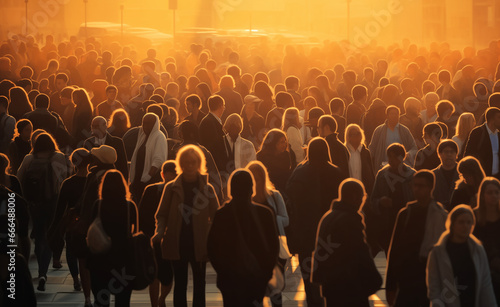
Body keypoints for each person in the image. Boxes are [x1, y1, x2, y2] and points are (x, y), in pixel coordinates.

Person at [152, 145, 220, 307]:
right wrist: (160, 232)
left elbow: (217, 217)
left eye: (193, 162)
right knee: (180, 284)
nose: (189, 166)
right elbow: (161, 214)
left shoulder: (208, 189)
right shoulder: (171, 188)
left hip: (200, 244)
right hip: (177, 242)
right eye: (186, 162)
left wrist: (213, 237)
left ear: (199, 163)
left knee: (199, 284)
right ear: (181, 164)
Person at [285, 137, 345, 307]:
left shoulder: (300, 172)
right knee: (330, 275)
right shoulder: (336, 172)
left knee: (309, 277)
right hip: (331, 236)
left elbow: (290, 199)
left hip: (306, 235)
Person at [207, 169, 279, 307]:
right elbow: (273, 246)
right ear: (251, 189)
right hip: (257, 277)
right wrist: (266, 272)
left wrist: (223, 272)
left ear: (231, 190)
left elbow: (212, 248)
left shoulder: (222, 215)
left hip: (230, 279)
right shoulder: (264, 214)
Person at [312, 179, 382, 307]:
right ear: (355, 197)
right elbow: (361, 252)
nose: (363, 201)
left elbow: (319, 251)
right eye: (362, 197)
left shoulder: (328, 217)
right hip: (350, 287)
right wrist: (375, 279)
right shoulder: (350, 220)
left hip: (331, 286)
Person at [17, 132, 70, 291]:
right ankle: (43, 272)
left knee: (39, 236)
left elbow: (19, 179)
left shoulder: (29, 159)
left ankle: (41, 272)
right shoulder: (58, 157)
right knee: (48, 236)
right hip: (53, 202)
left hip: (35, 204)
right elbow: (63, 179)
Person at [386, 170, 448, 307]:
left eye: (421, 186)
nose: (416, 189)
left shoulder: (441, 216)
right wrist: (390, 285)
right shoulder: (405, 214)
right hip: (407, 281)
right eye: (414, 185)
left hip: (430, 282)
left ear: (431, 187)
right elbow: (394, 251)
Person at [427, 205, 498, 307]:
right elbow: (434, 286)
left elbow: (485, 283)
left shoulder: (478, 250)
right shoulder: (438, 252)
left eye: (469, 222)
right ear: (452, 224)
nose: (465, 226)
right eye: (461, 222)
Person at [86, 170, 138, 307]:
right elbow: (136, 234)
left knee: (101, 301)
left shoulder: (98, 205)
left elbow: (90, 231)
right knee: (123, 302)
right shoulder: (130, 206)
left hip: (100, 262)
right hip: (123, 263)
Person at [48, 149, 91, 299]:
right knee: (87, 254)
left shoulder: (67, 183)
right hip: (89, 223)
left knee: (71, 252)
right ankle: (87, 280)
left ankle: (75, 279)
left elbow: (60, 209)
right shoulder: (93, 182)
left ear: (73, 162)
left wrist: (55, 226)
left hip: (72, 222)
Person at [247, 160, 289, 307]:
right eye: (252, 178)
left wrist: (269, 220)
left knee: (275, 290)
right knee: (255, 290)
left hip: (274, 248)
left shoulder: (275, 196)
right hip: (254, 250)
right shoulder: (246, 199)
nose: (255, 182)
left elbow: (286, 219)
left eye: (258, 178)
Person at [139, 161, 177, 307]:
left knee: (158, 275)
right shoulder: (175, 191)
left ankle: (158, 302)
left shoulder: (151, 190)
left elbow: (141, 214)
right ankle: (158, 302)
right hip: (159, 239)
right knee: (165, 274)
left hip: (156, 238)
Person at [370, 143, 416, 253]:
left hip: (406, 222)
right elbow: (373, 200)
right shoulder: (381, 175)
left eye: (394, 156)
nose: (391, 159)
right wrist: (380, 202)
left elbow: (418, 201)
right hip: (387, 223)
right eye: (389, 156)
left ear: (402, 157)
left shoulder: (412, 175)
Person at [129, 113, 168, 203]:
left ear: (154, 124)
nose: (146, 126)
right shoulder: (142, 136)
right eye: (144, 123)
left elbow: (158, 160)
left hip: (150, 179)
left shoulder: (159, 136)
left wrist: (148, 176)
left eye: (149, 123)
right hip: (138, 178)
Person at [473, 178, 500, 302]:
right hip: (481, 271)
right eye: (490, 192)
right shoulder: (473, 217)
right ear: (482, 195)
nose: (494, 195)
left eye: (496, 192)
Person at [369, 106, 418, 172]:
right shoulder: (379, 130)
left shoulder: (404, 130)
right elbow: (372, 148)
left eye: (396, 114)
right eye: (392, 114)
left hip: (401, 167)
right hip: (383, 166)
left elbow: (414, 147)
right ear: (387, 115)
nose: (394, 116)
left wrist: (408, 154)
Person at [83, 116, 129, 181]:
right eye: (93, 126)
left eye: (97, 126)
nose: (94, 128)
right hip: (94, 181)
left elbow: (123, 165)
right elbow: (85, 165)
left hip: (113, 181)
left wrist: (124, 184)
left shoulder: (117, 142)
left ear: (105, 126)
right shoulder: (88, 143)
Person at [464, 107, 500, 178]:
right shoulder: (478, 132)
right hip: (481, 177)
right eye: (499, 117)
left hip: (497, 178)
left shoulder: (498, 135)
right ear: (492, 119)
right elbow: (469, 154)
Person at [256, 129, 293, 195]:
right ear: (273, 143)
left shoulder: (286, 155)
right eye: (282, 142)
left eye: (285, 141)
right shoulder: (261, 157)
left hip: (283, 191)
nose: (285, 145)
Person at [344, 124, 375, 194]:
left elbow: (371, 172)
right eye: (353, 134)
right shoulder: (343, 151)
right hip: (348, 191)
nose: (356, 136)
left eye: (358, 133)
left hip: (364, 191)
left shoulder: (365, 152)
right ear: (348, 136)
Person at [199, 95, 227, 172]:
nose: (224, 108)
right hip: (214, 166)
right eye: (223, 105)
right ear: (220, 106)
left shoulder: (210, 120)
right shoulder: (208, 122)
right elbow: (214, 145)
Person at [432, 140, 460, 211]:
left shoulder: (463, 174)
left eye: (452, 152)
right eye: (446, 152)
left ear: (456, 154)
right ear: (439, 154)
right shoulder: (432, 175)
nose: (449, 154)